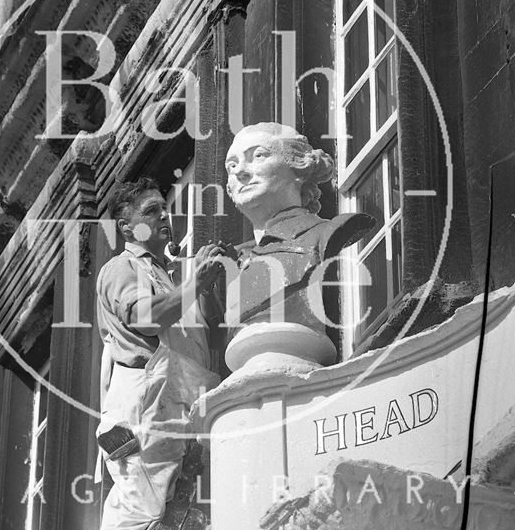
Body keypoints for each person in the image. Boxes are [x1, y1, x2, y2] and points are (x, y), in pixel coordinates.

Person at [95, 177, 227, 530]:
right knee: (141, 514)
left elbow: (209, 341)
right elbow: (146, 318)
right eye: (152, 211)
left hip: (180, 408)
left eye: (165, 210)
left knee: (176, 516)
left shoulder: (169, 279)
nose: (164, 217)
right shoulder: (122, 268)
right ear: (126, 226)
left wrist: (206, 288)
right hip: (143, 414)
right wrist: (194, 284)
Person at [224, 122, 375, 334]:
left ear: (298, 166)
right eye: (231, 165)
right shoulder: (231, 264)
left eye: (258, 155)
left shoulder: (324, 234)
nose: (240, 170)